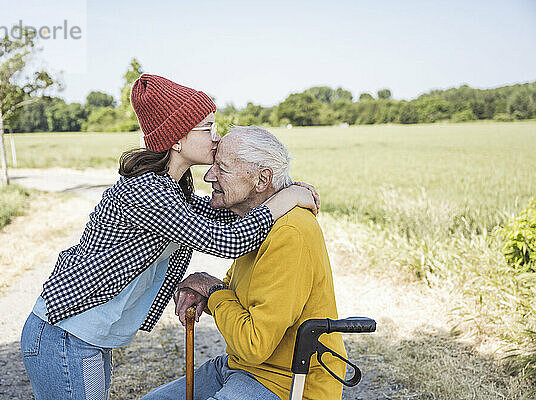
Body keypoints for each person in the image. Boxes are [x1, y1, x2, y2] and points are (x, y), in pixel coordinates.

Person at [20, 75, 319, 400]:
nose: (216, 138)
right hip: (64, 334)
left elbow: (222, 213)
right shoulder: (148, 192)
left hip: (84, 338)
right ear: (176, 138)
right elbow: (227, 240)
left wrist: (279, 188)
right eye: (207, 128)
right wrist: (284, 201)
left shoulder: (171, 191)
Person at [142, 126, 347, 400]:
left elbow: (253, 344)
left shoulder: (290, 233)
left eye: (222, 169)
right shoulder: (257, 221)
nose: (208, 175)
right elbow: (240, 295)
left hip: (286, 382)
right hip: (242, 368)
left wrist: (212, 290)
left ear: (262, 180)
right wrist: (206, 289)